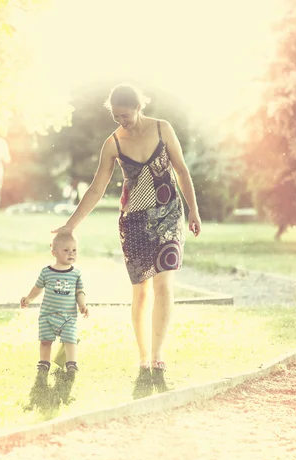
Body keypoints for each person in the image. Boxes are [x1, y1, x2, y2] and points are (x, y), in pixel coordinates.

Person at [53, 83, 202, 398]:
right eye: (116, 116)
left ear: (139, 106)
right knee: (141, 290)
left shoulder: (163, 129)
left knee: (164, 284)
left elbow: (182, 172)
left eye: (126, 115)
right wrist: (70, 226)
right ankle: (143, 356)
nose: (122, 121)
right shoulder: (113, 144)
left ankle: (158, 355)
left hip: (169, 216)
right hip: (132, 222)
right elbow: (96, 188)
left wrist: (193, 212)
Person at [20, 232, 89, 376]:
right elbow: (38, 287)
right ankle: (44, 363)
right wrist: (29, 298)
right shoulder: (47, 272)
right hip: (48, 315)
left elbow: (80, 291)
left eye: (74, 250)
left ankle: (71, 363)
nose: (71, 253)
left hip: (68, 316)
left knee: (70, 340)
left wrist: (82, 305)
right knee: (45, 341)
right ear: (54, 252)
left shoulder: (75, 273)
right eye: (66, 250)